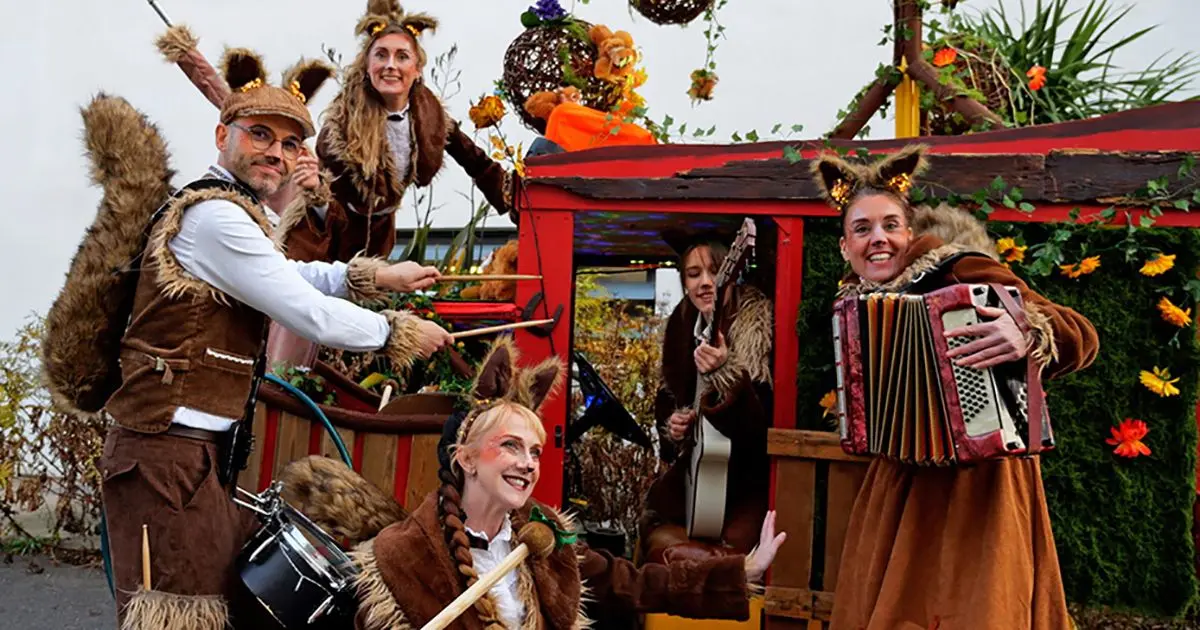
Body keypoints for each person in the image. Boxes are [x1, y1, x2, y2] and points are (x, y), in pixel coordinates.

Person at [93, 48, 455, 630]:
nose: (276, 154)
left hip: (194, 454)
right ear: (222, 134)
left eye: (289, 144)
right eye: (260, 134)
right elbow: (304, 312)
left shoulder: (239, 215)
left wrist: (366, 276)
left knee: (212, 608)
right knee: (176, 618)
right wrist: (396, 330)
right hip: (163, 456)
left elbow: (285, 276)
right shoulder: (215, 218)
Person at [280, 338, 786, 629]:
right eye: (510, 446)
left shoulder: (543, 540)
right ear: (466, 458)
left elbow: (633, 584)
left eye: (535, 451)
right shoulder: (400, 556)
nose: (527, 463)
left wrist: (741, 570)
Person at [810, 145, 1099, 629]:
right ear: (845, 247)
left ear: (910, 233)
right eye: (862, 229)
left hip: (981, 489)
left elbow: (1081, 335)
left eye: (890, 225)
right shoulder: (860, 308)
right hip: (901, 486)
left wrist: (1027, 331)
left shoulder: (958, 270)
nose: (878, 239)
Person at [281, 0, 516, 263]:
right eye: (381, 55)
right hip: (324, 235)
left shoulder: (429, 115)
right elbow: (327, 198)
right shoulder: (341, 126)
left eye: (402, 56)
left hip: (380, 231)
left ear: (416, 71)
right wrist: (316, 189)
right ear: (367, 67)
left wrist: (513, 197)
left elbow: (476, 161)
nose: (390, 65)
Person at [639, 231, 774, 563]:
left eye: (715, 271)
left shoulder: (755, 327)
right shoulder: (681, 327)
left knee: (732, 555)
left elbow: (759, 428)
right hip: (695, 481)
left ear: (733, 272)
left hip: (747, 483)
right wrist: (673, 426)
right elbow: (666, 401)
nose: (705, 282)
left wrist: (726, 371)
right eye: (694, 274)